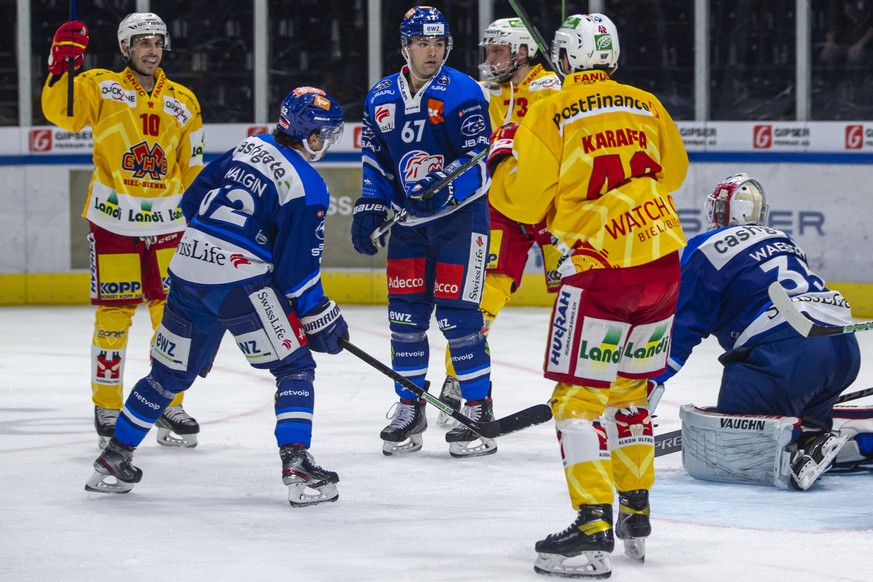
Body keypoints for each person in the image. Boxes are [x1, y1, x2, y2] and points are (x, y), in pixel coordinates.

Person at [486, 13, 689, 577]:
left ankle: (593, 525)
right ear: (614, 57)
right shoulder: (646, 102)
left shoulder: (549, 109)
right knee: (630, 394)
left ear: (564, 59)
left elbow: (522, 205)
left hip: (599, 272)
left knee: (577, 404)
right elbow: (673, 174)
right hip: (663, 265)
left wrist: (502, 156)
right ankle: (637, 510)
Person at [84, 86, 349, 507]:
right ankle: (297, 463)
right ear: (306, 131)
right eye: (323, 133)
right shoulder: (309, 187)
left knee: (166, 374)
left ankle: (114, 458)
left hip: (187, 267)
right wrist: (321, 317)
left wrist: (216, 244)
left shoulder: (250, 145)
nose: (326, 142)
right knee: (295, 367)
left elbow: (192, 199)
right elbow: (297, 274)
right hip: (240, 281)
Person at [41, 13, 205, 449]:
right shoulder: (99, 85)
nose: (152, 49)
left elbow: (192, 167)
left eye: (157, 41)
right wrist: (60, 66)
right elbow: (64, 115)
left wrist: (202, 219)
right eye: (142, 42)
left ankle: (169, 402)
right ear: (125, 48)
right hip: (114, 222)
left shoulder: (184, 100)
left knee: (174, 320)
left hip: (170, 227)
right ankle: (108, 405)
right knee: (114, 320)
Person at [648, 173, 865, 491]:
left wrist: (648, 381)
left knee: (736, 447)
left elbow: (679, 327)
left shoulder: (706, 246)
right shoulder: (783, 239)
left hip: (785, 356)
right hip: (842, 348)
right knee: (805, 429)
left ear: (719, 211)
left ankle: (803, 441)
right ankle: (828, 439)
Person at [350, 6, 494, 458]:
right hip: (409, 227)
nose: (431, 52)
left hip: (462, 221)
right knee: (405, 320)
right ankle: (409, 405)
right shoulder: (379, 97)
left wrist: (443, 188)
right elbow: (375, 160)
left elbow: (479, 155)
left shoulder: (464, 91)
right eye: (422, 44)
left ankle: (477, 407)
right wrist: (370, 205)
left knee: (459, 319)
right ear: (405, 46)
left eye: (438, 44)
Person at [435, 17, 563, 428]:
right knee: (481, 292)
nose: (490, 59)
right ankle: (459, 382)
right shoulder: (485, 92)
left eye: (499, 50)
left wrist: (568, 90)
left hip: (553, 206)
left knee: (575, 292)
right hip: (502, 206)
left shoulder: (553, 89)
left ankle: (585, 385)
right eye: (487, 50)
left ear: (524, 52)